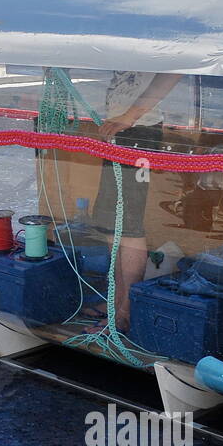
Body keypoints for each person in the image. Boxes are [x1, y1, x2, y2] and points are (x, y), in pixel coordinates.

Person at [89, 71, 181, 332]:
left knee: (128, 224)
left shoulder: (163, 32)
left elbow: (174, 70)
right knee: (112, 223)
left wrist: (130, 116)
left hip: (138, 130)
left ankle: (126, 313)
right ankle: (116, 302)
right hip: (120, 128)